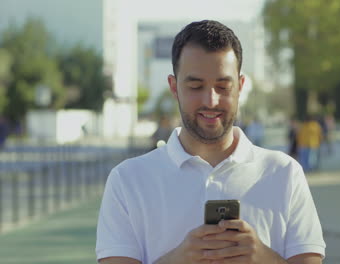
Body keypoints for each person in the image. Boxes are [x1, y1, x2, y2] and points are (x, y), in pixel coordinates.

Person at [96, 20, 326, 264]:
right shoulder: (128, 180)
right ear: (174, 87)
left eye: (223, 86)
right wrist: (178, 259)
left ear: (240, 86)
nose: (211, 100)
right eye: (195, 86)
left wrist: (263, 257)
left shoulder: (285, 173)